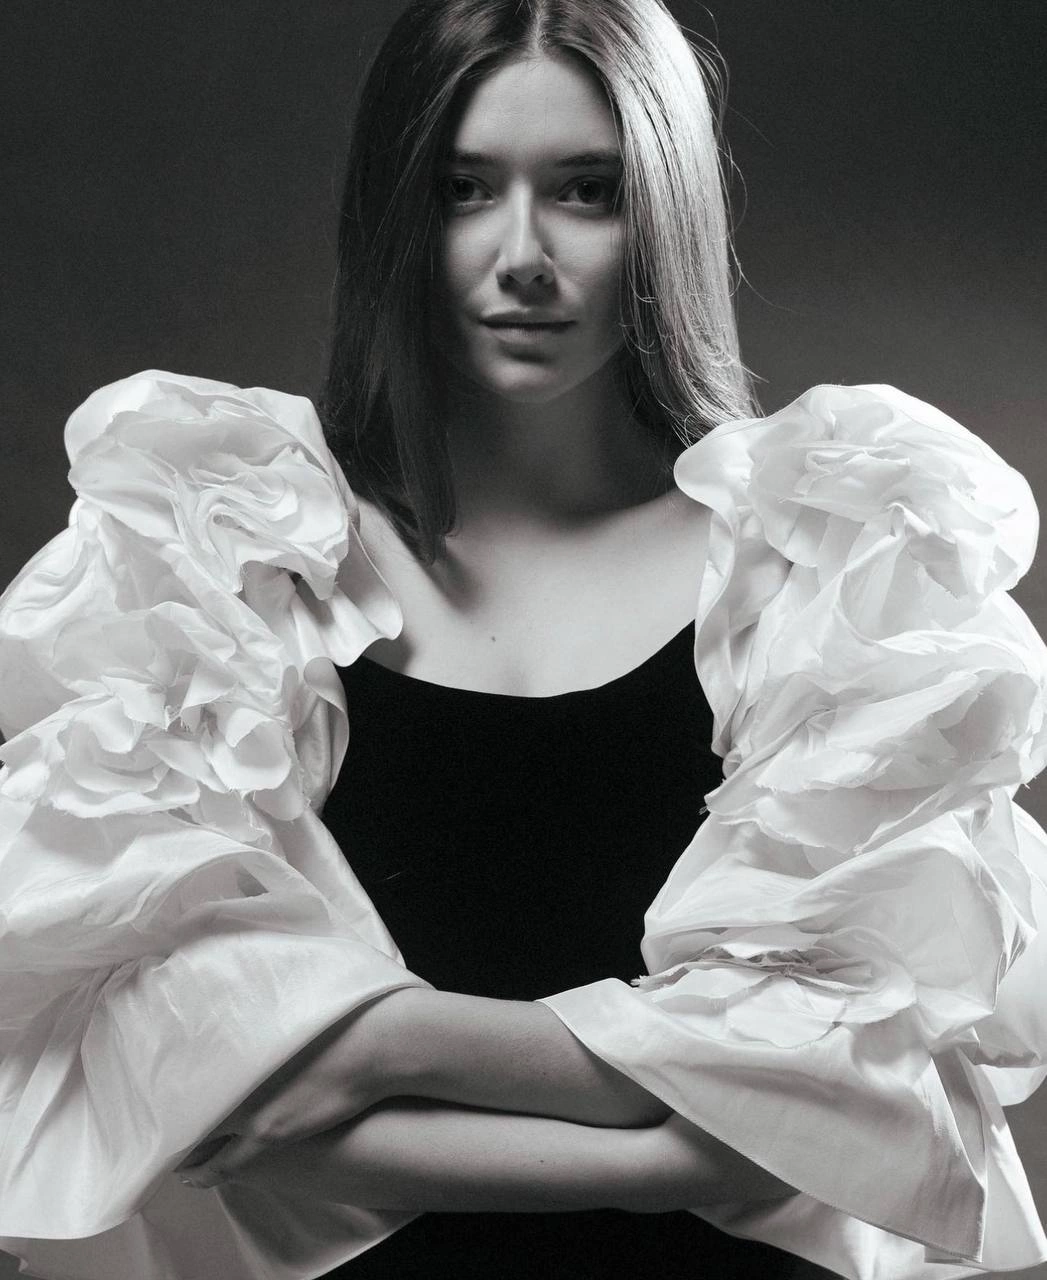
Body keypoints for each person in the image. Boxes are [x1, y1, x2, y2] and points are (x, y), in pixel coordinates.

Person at [0, 1, 1046, 1278]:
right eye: (464, 188)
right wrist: (691, 1131)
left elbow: (861, 1093)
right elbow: (180, 1085)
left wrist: (380, 1044)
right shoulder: (221, 563)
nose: (524, 255)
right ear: (393, 211)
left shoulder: (824, 568)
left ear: (665, 212)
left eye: (587, 190)